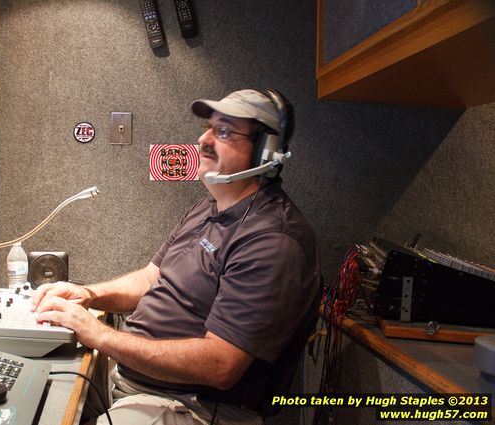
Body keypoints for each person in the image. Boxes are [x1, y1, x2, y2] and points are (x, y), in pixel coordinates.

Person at [31, 89, 322, 424]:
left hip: (191, 406)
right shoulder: (207, 206)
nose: (204, 138)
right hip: (134, 379)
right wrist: (90, 294)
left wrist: (100, 335)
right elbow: (150, 277)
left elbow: (220, 364)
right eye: (209, 127)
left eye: (224, 131)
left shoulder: (273, 240)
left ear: (265, 152)